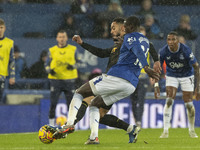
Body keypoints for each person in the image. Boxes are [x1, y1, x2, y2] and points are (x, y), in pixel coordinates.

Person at [52, 16, 160, 144]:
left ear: (123, 28)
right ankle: (97, 136)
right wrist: (82, 43)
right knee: (96, 107)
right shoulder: (137, 41)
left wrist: (147, 67)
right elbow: (102, 53)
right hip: (130, 84)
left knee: (80, 93)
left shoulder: (129, 38)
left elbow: (138, 49)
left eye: (114, 28)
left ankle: (68, 124)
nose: (111, 31)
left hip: (116, 78)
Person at [155, 31, 200, 138]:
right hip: (172, 75)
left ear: (178, 41)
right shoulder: (163, 51)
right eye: (168, 39)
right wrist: (156, 85)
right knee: (169, 100)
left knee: (189, 104)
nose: (170, 42)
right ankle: (165, 131)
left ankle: (192, 130)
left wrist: (198, 87)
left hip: (187, 76)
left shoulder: (185, 50)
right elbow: (157, 68)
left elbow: (197, 67)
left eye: (173, 39)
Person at [45, 30, 79, 126]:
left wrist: (73, 66)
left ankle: (70, 125)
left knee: (71, 105)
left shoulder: (73, 49)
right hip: (56, 80)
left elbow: (79, 63)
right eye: (60, 37)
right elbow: (46, 64)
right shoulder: (52, 50)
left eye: (63, 37)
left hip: (70, 80)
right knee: (53, 103)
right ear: (57, 38)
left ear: (66, 38)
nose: (62, 39)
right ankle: (51, 125)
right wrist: (49, 70)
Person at [130, 25, 159, 128]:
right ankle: (136, 119)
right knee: (133, 100)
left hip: (143, 77)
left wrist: (152, 76)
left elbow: (153, 61)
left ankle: (138, 121)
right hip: (133, 77)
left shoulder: (149, 45)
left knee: (141, 100)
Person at [0, 18, 15, 103]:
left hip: (2, 76)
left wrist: (12, 76)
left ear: (4, 28)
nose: (0, 30)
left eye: (1, 27)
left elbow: (12, 61)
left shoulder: (9, 42)